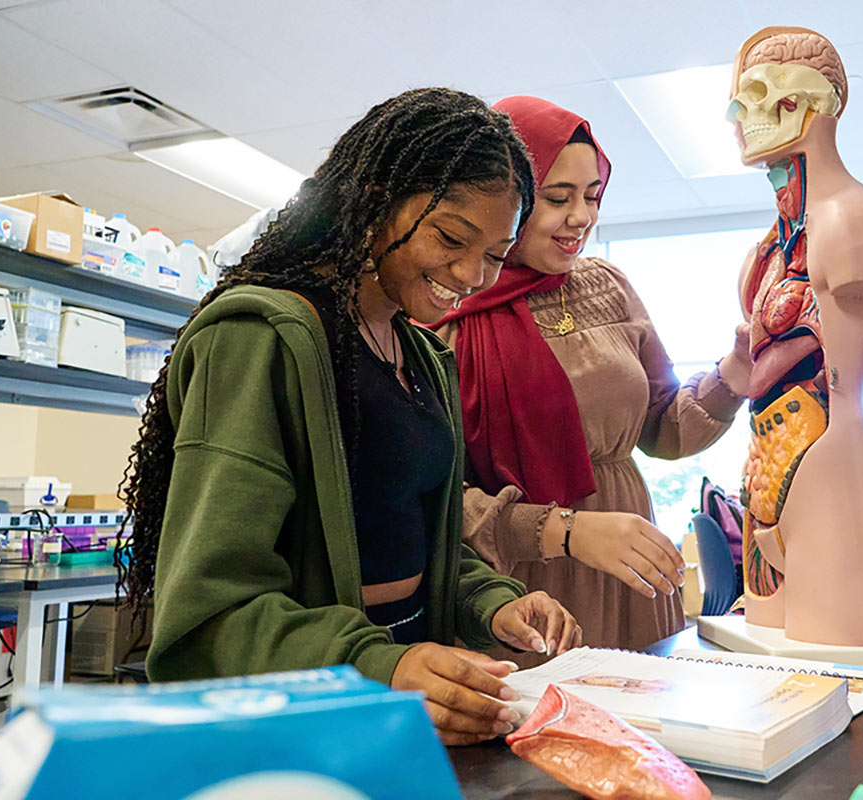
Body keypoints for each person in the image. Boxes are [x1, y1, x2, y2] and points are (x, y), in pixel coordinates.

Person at [116, 88, 580, 746]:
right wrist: (379, 664)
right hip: (300, 725)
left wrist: (491, 603)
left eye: (497, 255)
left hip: (388, 716)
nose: (474, 275)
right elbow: (210, 613)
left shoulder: (421, 355)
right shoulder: (263, 338)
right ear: (374, 198)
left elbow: (407, 536)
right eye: (452, 237)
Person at [432, 96, 753, 654]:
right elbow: (435, 499)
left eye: (592, 196)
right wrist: (567, 533)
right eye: (557, 198)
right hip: (519, 574)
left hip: (630, 562)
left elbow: (664, 428)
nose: (580, 216)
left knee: (647, 719)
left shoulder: (608, 285)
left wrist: (734, 374)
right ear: (504, 201)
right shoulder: (444, 307)